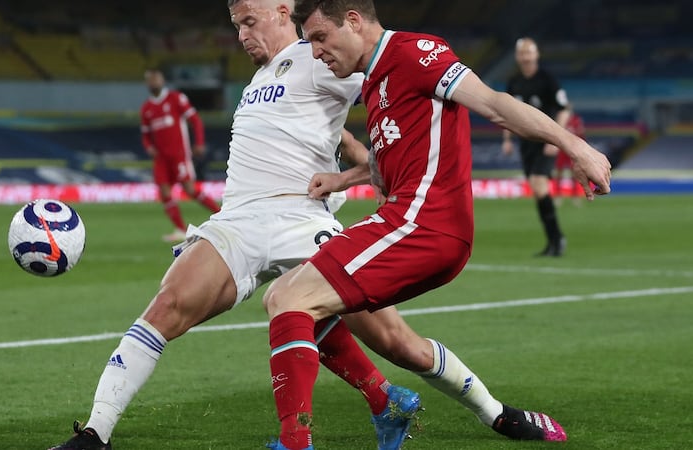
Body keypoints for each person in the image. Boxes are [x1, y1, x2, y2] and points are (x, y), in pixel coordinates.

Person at [50, 2, 581, 449]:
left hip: (301, 220)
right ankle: (96, 432)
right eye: (236, 25)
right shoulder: (261, 79)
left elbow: (388, 99)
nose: (242, 35)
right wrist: (351, 165)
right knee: (166, 307)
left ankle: (495, 412)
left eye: (249, 21)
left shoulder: (322, 56)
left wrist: (359, 175)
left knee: (397, 342)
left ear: (282, 11)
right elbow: (347, 140)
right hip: (237, 220)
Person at [264, 1, 613, 449]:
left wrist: (575, 146)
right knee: (387, 339)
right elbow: (392, 159)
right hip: (409, 223)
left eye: (319, 38)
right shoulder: (374, 82)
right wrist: (343, 179)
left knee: (289, 298)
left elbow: (495, 104)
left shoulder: (415, 53)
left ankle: (296, 442)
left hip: (424, 224)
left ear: (352, 21)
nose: (316, 53)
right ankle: (498, 415)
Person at [502, 38, 571, 256]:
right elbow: (506, 113)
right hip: (526, 143)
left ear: (536, 54)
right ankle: (553, 241)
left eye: (529, 52)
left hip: (546, 140)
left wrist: (557, 139)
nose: (526, 57)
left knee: (539, 184)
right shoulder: (514, 82)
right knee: (536, 188)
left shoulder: (547, 80)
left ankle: (557, 239)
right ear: (517, 57)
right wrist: (507, 139)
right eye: (522, 53)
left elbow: (564, 109)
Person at [140, 68, 221, 242]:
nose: (154, 82)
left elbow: (195, 120)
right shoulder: (146, 108)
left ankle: (222, 215)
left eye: (156, 78)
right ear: (147, 84)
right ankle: (180, 229)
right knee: (164, 193)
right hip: (161, 158)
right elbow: (146, 135)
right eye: (150, 80)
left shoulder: (176, 98)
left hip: (179, 155)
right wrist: (148, 147)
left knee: (190, 190)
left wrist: (199, 142)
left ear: (162, 80)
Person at [554, 108, 587, 202]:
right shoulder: (559, 120)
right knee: (559, 173)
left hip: (572, 149)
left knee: (575, 173)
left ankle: (575, 195)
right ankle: (558, 195)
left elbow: (581, 133)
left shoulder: (576, 120)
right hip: (561, 150)